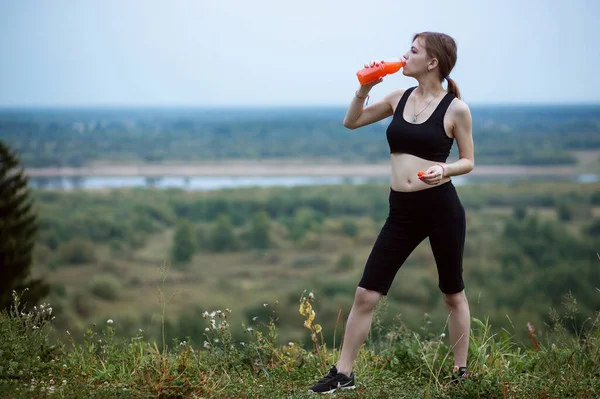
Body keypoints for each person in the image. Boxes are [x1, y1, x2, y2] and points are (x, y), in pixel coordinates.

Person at [309, 31, 475, 394]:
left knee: (452, 292)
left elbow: (468, 161)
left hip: (441, 207)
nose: (405, 55)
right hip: (400, 210)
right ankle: (343, 374)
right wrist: (364, 87)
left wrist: (444, 170)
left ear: (432, 63)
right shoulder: (397, 97)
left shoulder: (455, 108)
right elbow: (351, 122)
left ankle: (461, 371)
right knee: (366, 293)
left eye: (413, 51)